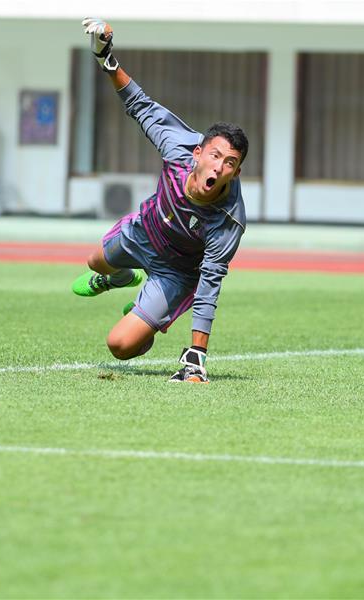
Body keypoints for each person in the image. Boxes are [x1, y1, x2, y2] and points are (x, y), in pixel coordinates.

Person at [72, 17, 248, 383]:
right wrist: (106, 58)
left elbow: (210, 283)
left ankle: (145, 324)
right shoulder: (177, 150)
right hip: (143, 234)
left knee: (120, 346)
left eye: (230, 162)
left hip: (176, 272)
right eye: (215, 155)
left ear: (236, 172)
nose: (220, 166)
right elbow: (140, 105)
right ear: (198, 153)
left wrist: (197, 354)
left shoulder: (227, 218)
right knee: (94, 262)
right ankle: (120, 278)